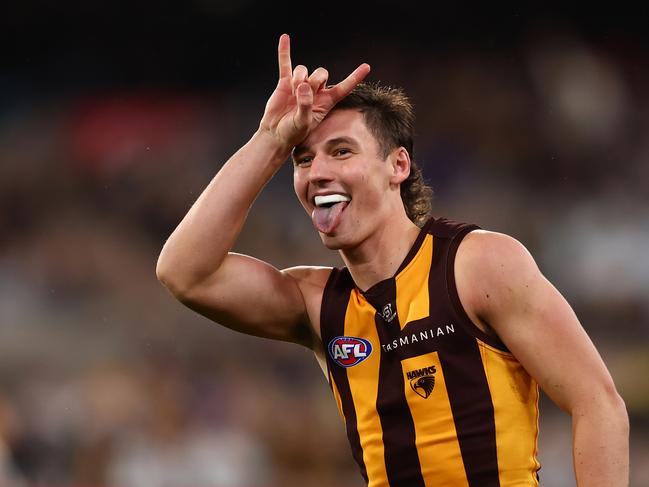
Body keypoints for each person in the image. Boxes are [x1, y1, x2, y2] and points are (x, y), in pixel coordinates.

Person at [156, 34, 629, 486]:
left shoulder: (478, 263)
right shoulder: (319, 303)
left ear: (397, 166)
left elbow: (597, 402)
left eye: (342, 152)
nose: (318, 173)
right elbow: (184, 272)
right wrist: (271, 140)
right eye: (303, 160)